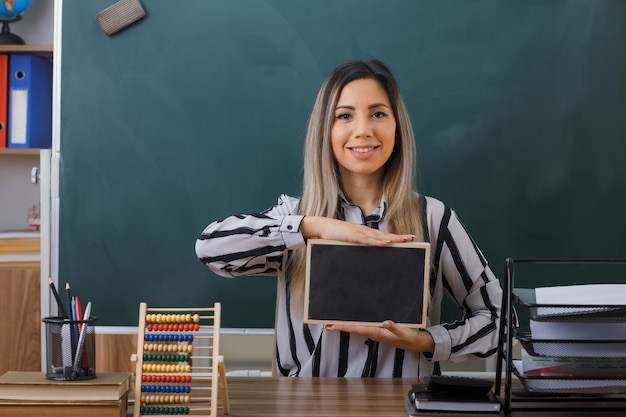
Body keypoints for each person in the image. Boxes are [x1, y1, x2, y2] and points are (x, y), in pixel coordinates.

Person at [195, 59, 502, 378]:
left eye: (378, 114)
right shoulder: (295, 219)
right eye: (344, 116)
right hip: (305, 407)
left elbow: (499, 319)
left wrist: (426, 342)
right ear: (325, 131)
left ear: (397, 125)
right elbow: (209, 249)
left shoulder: (434, 218)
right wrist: (313, 226)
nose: (363, 130)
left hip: (402, 406)